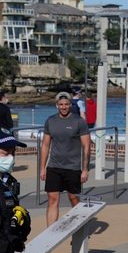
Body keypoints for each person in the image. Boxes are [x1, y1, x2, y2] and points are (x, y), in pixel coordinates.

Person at [40, 92, 91, 226]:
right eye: (61, 104)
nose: (64, 107)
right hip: (54, 166)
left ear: (70, 105)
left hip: (73, 167)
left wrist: (85, 169)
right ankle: (50, 233)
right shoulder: (50, 121)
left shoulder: (79, 122)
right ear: (57, 105)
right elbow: (45, 145)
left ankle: (79, 228)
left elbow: (86, 146)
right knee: (52, 199)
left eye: (66, 104)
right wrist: (42, 168)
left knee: (73, 198)